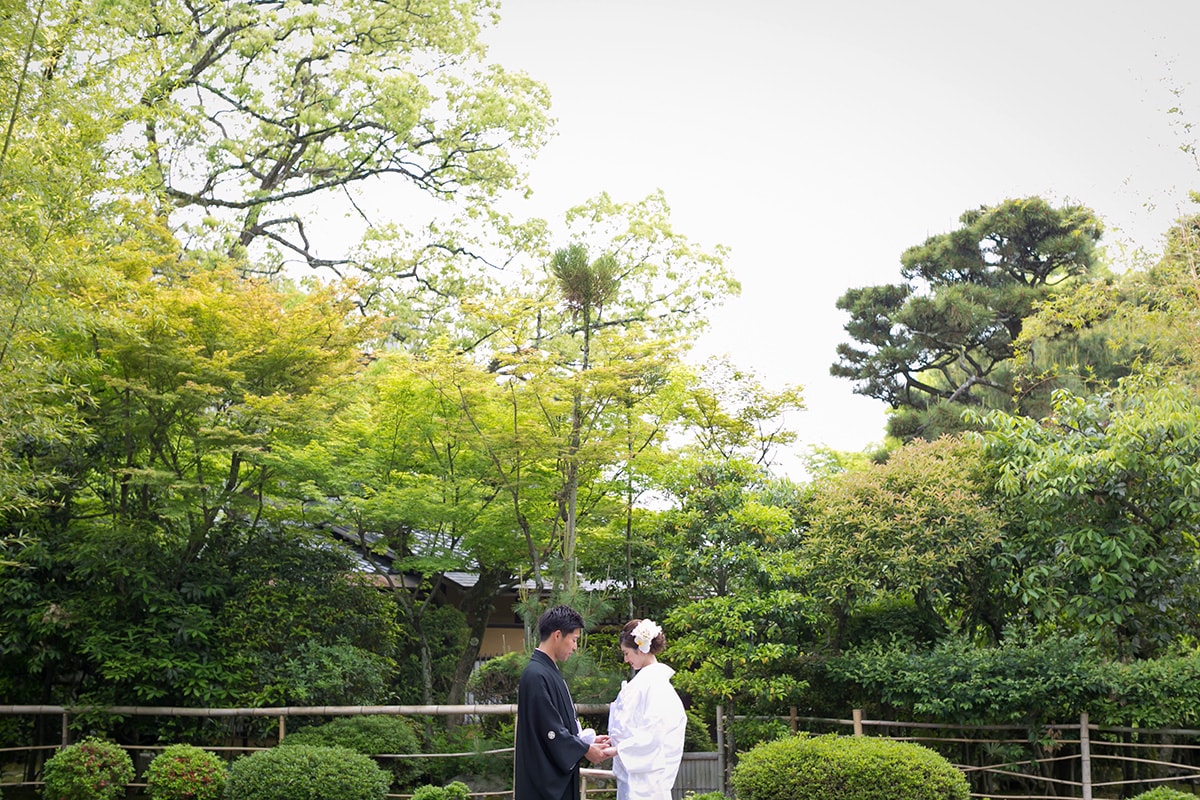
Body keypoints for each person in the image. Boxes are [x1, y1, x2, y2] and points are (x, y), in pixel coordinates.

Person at [514, 605, 611, 800]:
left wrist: (585, 742)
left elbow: (560, 725)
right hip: (541, 783)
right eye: (574, 639)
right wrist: (584, 749)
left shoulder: (547, 671)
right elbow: (549, 730)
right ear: (557, 635)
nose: (575, 647)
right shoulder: (536, 675)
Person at [601, 619, 687, 800]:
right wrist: (614, 742)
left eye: (626, 653)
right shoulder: (646, 683)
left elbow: (653, 733)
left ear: (640, 649)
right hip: (635, 775)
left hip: (648, 780)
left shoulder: (655, 685)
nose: (625, 659)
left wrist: (618, 749)